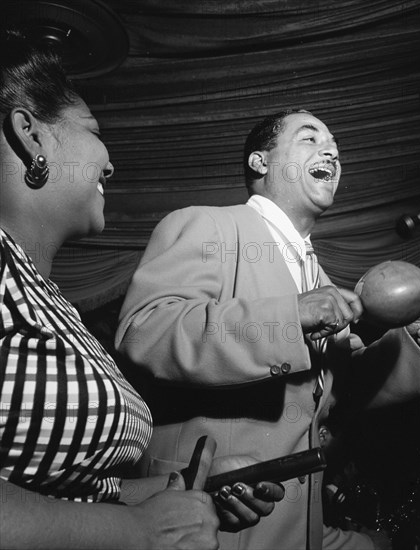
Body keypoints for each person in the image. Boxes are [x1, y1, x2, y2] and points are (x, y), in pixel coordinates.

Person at [0, 28, 283, 550]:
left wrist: (188, 493)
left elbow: (68, 492)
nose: (109, 162)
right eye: (93, 129)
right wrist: (135, 532)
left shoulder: (48, 299)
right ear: (31, 135)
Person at [115, 109, 420, 550]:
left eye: (334, 146)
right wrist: (290, 315)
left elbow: (343, 395)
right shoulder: (207, 225)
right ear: (260, 162)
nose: (331, 150)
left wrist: (412, 344)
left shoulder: (322, 280)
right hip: (205, 513)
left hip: (291, 524)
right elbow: (145, 332)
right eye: (310, 138)